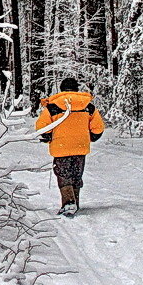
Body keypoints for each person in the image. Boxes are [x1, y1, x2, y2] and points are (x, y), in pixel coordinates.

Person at [36, 78, 105, 216]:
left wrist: (47, 137)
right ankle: (75, 202)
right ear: (76, 89)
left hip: (61, 147)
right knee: (76, 174)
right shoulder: (88, 106)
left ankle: (68, 203)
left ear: (61, 89)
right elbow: (98, 128)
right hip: (80, 146)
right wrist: (90, 137)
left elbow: (42, 127)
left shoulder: (53, 106)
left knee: (63, 174)